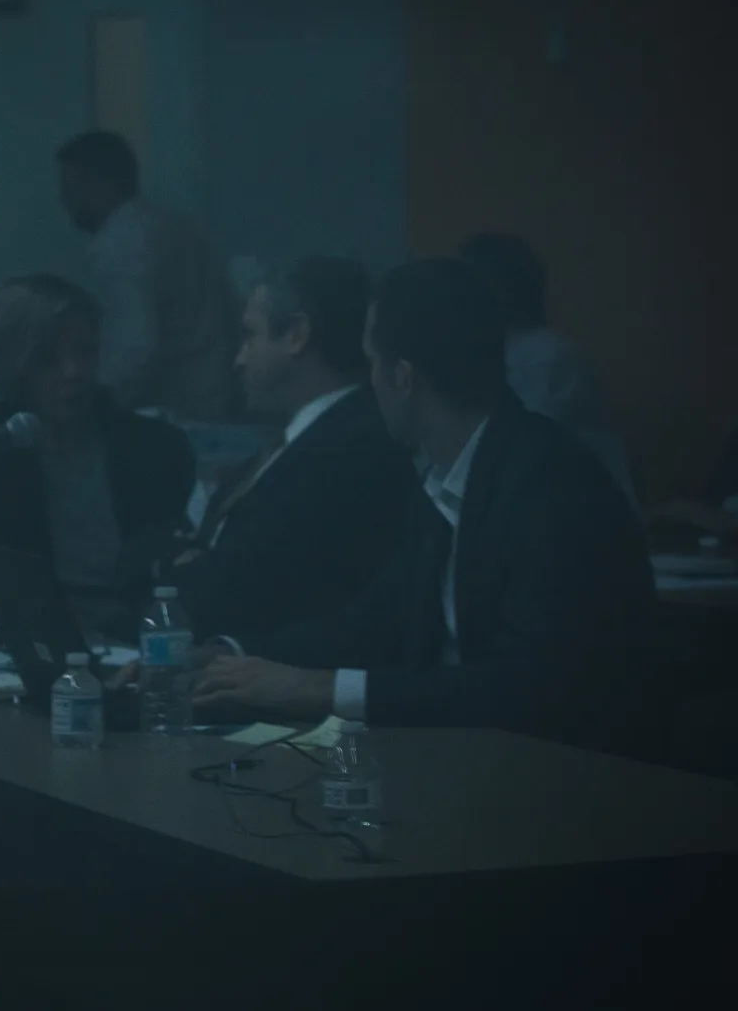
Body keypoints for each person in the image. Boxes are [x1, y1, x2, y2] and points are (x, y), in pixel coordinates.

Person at [191, 258, 657, 752]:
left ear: (404, 378)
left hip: (564, 782)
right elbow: (375, 621)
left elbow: (530, 689)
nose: (368, 382)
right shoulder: (451, 476)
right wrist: (230, 658)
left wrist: (318, 689)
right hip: (475, 766)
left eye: (371, 362)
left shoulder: (550, 486)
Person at [0, 273, 195, 642]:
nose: (74, 372)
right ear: (14, 363)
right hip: (23, 643)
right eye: (48, 358)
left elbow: (172, 574)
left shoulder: (153, 448)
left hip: (136, 643)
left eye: (84, 351)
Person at [172, 257, 418, 638]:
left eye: (250, 335)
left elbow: (238, 589)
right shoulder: (315, 437)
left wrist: (179, 569)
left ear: (296, 335)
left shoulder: (344, 450)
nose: (239, 359)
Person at [56, 130, 235, 421]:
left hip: (167, 411)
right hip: (214, 399)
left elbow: (136, 346)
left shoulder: (120, 245)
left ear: (101, 185)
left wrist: (93, 403)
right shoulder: (179, 227)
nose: (63, 200)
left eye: (69, 187)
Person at [457, 230, 605, 427]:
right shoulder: (490, 350)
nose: (456, 296)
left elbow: (527, 439)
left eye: (465, 284)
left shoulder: (548, 357)